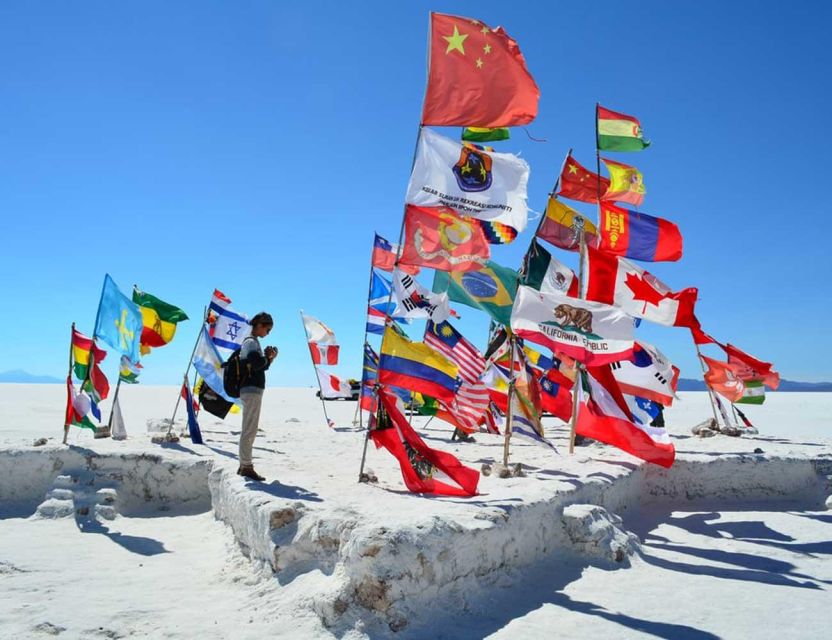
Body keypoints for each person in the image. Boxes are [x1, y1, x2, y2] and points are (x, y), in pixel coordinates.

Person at [238, 312, 277, 481]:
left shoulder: (252, 342)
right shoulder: (251, 342)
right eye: (267, 329)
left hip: (251, 389)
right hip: (251, 389)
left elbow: (261, 366)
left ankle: (244, 465)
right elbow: (257, 364)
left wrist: (268, 359)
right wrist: (268, 358)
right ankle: (246, 466)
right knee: (249, 429)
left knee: (249, 428)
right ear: (260, 325)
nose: (267, 333)